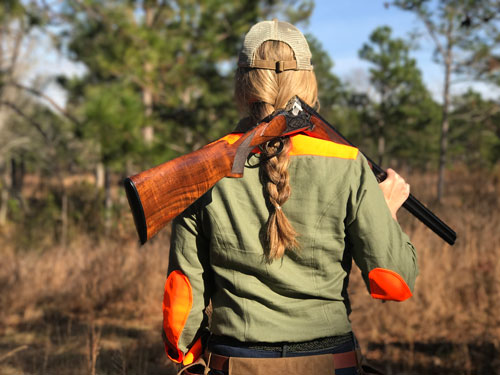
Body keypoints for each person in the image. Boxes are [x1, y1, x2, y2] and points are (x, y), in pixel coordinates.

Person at [162, 19, 418, 375]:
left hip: (235, 363)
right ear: (308, 82)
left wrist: (190, 357)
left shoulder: (201, 170)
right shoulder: (347, 163)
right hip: (331, 363)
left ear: (242, 84)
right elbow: (395, 282)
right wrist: (387, 211)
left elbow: (181, 314)